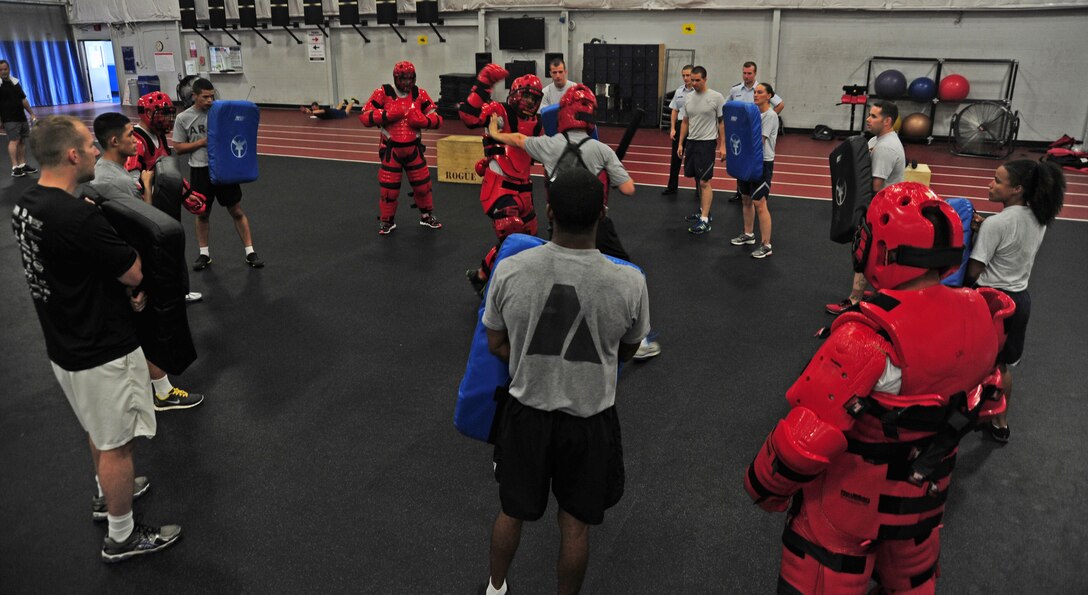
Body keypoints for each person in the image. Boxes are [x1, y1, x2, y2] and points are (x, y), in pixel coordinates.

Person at [743, 182, 1013, 594]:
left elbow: (804, 442)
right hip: (922, 506)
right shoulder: (983, 312)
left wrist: (763, 488)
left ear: (883, 247)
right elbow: (987, 400)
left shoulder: (868, 337)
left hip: (844, 513)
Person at [11, 115, 182, 562]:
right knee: (117, 446)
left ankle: (108, 495)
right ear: (71, 155)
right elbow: (133, 271)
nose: (93, 150)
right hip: (101, 347)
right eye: (88, 145)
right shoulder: (77, 217)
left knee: (98, 429)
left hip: (64, 344)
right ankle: (122, 536)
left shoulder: (26, 202)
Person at [480, 167, 650, 595]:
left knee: (511, 511)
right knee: (575, 526)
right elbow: (627, 351)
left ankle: (495, 588)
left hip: (525, 416)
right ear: (603, 213)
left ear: (549, 211)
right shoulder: (630, 282)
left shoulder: (511, 269)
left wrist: (528, 357)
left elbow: (495, 342)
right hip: (589, 421)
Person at [488, 84, 661, 360]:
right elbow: (629, 189)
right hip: (595, 225)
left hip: (559, 223)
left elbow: (520, 139)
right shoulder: (602, 150)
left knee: (560, 274)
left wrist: (496, 133)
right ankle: (637, 339)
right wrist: (610, 177)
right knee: (623, 269)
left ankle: (553, 325)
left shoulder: (548, 144)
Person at [90, 112, 206, 412]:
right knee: (153, 326)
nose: (135, 139)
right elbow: (144, 225)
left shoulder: (104, 171)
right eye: (130, 135)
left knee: (132, 329)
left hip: (120, 265)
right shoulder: (117, 181)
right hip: (133, 264)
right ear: (114, 141)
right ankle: (163, 394)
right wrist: (135, 285)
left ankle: (139, 387)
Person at [965, 159, 1065, 443]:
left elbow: (974, 270)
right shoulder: (1038, 218)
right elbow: (1013, 238)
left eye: (997, 180)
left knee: (968, 360)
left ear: (1017, 188)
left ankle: (958, 414)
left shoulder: (996, 224)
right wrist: (988, 228)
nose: (990, 184)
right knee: (1002, 366)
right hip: (1019, 301)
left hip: (990, 302)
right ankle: (1000, 422)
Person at [459, 63, 544, 295]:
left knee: (529, 240)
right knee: (511, 232)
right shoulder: (499, 111)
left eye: (534, 98)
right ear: (515, 94)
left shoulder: (538, 124)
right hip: (499, 188)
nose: (530, 102)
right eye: (526, 96)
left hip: (525, 189)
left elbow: (546, 153)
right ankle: (498, 288)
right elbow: (468, 116)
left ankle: (481, 275)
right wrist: (483, 83)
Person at [173, 78, 264, 270]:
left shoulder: (221, 113)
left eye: (212, 96)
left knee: (236, 210)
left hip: (224, 168)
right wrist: (202, 142)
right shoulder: (184, 118)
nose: (209, 100)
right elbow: (179, 148)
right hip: (200, 170)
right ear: (194, 96)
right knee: (203, 213)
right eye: (205, 97)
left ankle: (250, 252)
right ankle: (204, 254)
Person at [126, 91, 206, 304]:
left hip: (164, 202)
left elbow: (167, 171)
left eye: (169, 114)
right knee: (155, 251)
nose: (167, 119)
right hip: (150, 207)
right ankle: (154, 295)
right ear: (147, 114)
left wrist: (185, 192)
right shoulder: (137, 140)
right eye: (161, 114)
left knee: (174, 245)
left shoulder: (158, 135)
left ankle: (179, 290)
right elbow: (135, 181)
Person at [826, 100, 905, 314]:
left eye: (874, 116)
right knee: (874, 255)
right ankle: (880, 293)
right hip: (879, 208)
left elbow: (875, 186)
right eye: (869, 115)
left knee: (865, 252)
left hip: (882, 210)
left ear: (887, 121)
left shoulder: (886, 147)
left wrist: (857, 212)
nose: (868, 119)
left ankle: (854, 300)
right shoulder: (876, 141)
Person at [360, 61, 443, 235]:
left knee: (423, 186)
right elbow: (365, 116)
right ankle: (387, 221)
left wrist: (424, 121)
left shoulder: (419, 94)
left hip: (414, 148)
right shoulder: (383, 93)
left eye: (410, 79)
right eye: (404, 79)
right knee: (389, 189)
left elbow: (437, 118)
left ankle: (426, 216)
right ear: (396, 78)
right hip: (392, 148)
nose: (407, 83)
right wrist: (386, 115)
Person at [729, 82, 779, 259]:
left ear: (769, 96)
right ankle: (748, 234)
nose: (756, 95)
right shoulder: (752, 113)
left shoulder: (770, 116)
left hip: (762, 163)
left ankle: (766, 245)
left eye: (760, 92)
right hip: (747, 161)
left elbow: (760, 142)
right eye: (755, 92)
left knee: (760, 203)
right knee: (746, 199)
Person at [677, 66, 726, 235]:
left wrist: (723, 145)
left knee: (705, 181)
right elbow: (685, 121)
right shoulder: (688, 97)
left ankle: (704, 220)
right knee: (698, 179)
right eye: (692, 79)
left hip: (707, 143)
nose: (694, 83)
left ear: (705, 79)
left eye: (698, 80)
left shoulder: (716, 97)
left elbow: (721, 123)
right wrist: (681, 143)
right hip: (692, 142)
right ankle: (703, 210)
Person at [726, 61, 784, 202]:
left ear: (755, 73)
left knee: (759, 201)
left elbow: (780, 104)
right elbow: (728, 106)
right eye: (744, 73)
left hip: (758, 140)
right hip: (743, 130)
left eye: (749, 73)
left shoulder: (762, 88)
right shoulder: (735, 90)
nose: (746, 76)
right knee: (742, 166)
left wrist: (767, 118)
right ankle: (740, 192)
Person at [0, 59, 38, 177]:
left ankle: (22, 165)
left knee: (22, 141)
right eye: (0, 70)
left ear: (9, 69)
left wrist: (31, 113)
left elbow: (23, 100)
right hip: (9, 118)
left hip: (21, 117)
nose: (3, 72)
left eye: (5, 69)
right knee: (14, 141)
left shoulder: (15, 82)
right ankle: (15, 167)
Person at [662, 64, 694, 196]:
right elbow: (675, 110)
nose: (686, 78)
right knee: (675, 158)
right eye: (684, 75)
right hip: (681, 125)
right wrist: (673, 128)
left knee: (694, 159)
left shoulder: (699, 91)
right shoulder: (679, 91)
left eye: (688, 75)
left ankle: (699, 190)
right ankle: (672, 186)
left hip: (694, 126)